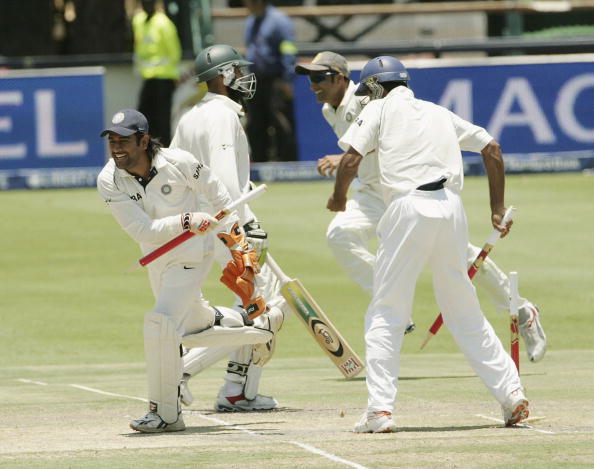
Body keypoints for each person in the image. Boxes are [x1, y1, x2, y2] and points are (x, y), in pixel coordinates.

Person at [296, 51, 546, 362]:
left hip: (405, 191)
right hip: (373, 194)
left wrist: (349, 156)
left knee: (466, 260)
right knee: (340, 235)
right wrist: (352, 159)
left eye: (319, 77)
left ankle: (522, 310)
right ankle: (395, 308)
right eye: (309, 78)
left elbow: (393, 129)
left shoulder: (367, 97)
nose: (313, 85)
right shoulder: (328, 110)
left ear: (340, 77)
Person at [326, 56, 529, 433]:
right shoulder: (437, 111)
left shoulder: (378, 109)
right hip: (451, 210)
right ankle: (512, 394)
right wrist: (496, 208)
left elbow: (351, 160)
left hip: (407, 207)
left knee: (386, 311)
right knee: (463, 309)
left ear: (372, 88)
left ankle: (380, 411)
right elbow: (493, 149)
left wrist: (338, 198)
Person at [97, 108, 283, 432]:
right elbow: (142, 230)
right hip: (157, 255)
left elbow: (217, 193)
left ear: (143, 140)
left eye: (124, 140)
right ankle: (257, 322)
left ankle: (165, 413)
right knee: (190, 322)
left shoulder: (178, 162)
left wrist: (236, 241)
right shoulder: (109, 180)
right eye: (112, 140)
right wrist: (186, 220)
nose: (117, 148)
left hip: (193, 252)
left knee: (162, 321)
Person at [171, 44, 287, 411]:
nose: (245, 77)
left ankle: (233, 387)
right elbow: (222, 179)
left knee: (255, 305)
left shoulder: (190, 116)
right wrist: (246, 226)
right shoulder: (223, 117)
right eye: (238, 70)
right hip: (224, 226)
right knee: (266, 308)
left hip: (197, 225)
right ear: (223, 77)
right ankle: (203, 379)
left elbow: (176, 172)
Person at [243, 0, 298, 162]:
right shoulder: (250, 22)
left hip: (276, 80)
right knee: (256, 124)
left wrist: (287, 79)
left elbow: (289, 50)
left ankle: (286, 164)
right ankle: (260, 163)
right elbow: (250, 49)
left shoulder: (280, 21)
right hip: (255, 80)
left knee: (281, 123)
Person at [132, 0, 181, 146]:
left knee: (162, 122)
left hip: (164, 79)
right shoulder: (139, 21)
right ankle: (146, 152)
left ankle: (164, 154)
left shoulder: (164, 23)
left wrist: (157, 66)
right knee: (143, 119)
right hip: (148, 78)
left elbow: (174, 53)